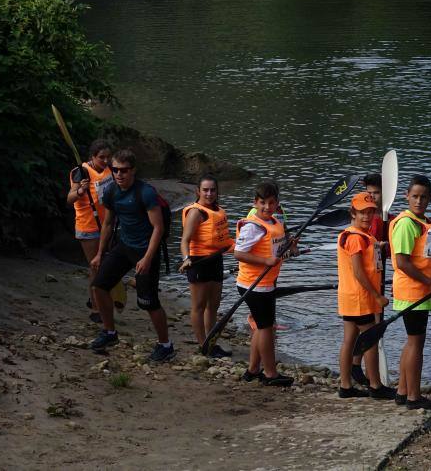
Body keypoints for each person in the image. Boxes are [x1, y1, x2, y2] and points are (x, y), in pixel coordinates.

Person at [89, 149, 174, 362]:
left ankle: (166, 345)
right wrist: (100, 253)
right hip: (124, 246)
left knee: (148, 302)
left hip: (146, 251)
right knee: (99, 285)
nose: (119, 174)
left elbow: (158, 228)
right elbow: (108, 224)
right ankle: (109, 332)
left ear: (133, 170)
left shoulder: (145, 193)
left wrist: (146, 258)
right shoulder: (111, 192)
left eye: (123, 170)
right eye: (115, 170)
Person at [388, 175, 431, 410]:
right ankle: (414, 397)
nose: (419, 201)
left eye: (423, 197)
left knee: (412, 342)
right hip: (412, 292)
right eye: (415, 196)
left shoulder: (423, 222)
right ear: (406, 196)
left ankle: (403, 391)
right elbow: (402, 262)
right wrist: (429, 283)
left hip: (420, 289)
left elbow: (422, 259)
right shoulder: (406, 224)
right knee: (416, 343)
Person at [233, 181, 295, 387]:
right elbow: (239, 253)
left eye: (271, 203)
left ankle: (253, 369)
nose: (266, 208)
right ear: (255, 203)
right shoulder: (253, 226)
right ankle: (270, 374)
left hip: (266, 283)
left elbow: (276, 251)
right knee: (267, 328)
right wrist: (266, 261)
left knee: (261, 328)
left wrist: (291, 247)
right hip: (254, 285)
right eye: (262, 203)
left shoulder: (275, 223)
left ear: (277, 204)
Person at [335, 192, 395, 400]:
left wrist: (378, 246)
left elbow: (366, 251)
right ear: (352, 213)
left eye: (370, 212)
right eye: (361, 213)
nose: (367, 217)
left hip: (348, 298)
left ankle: (345, 386)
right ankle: (375, 385)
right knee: (369, 340)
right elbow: (358, 272)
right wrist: (377, 297)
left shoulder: (360, 235)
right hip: (360, 298)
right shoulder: (355, 238)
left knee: (349, 341)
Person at [178, 174, 233, 358]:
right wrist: (186, 259)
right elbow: (184, 241)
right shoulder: (196, 212)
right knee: (199, 306)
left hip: (216, 260)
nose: (209, 194)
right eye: (205, 190)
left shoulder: (218, 210)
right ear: (198, 191)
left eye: (213, 190)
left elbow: (225, 241)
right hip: (198, 262)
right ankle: (203, 345)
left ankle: (211, 342)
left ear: (217, 191)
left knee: (213, 305)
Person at [350, 173, 395, 387]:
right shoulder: (369, 219)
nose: (373, 197)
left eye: (376, 193)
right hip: (366, 284)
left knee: (365, 329)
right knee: (369, 330)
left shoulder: (389, 219)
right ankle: (363, 372)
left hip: (377, 279)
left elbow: (392, 253)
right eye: (369, 193)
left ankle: (357, 367)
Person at [66, 139, 113, 324]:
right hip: (88, 227)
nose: (106, 160)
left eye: (108, 157)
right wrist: (80, 191)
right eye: (102, 157)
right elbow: (70, 199)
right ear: (92, 157)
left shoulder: (109, 170)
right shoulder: (80, 172)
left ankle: (96, 298)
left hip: (106, 226)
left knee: (105, 266)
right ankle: (96, 308)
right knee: (96, 267)